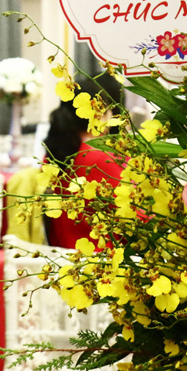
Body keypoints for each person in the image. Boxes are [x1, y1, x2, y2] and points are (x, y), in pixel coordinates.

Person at [43, 75, 124, 249]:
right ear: (101, 114)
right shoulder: (100, 159)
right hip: (102, 262)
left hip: (63, 256)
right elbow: (134, 214)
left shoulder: (54, 153)